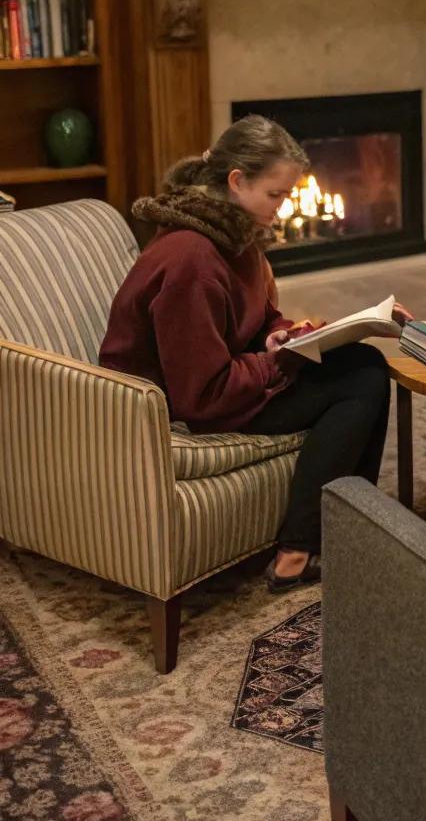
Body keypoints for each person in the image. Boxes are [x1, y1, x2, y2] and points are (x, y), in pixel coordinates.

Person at [100, 115, 406, 589]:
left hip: (224, 376)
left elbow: (260, 319)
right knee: (360, 381)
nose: (282, 210)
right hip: (176, 406)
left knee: (365, 362)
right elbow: (202, 395)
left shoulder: (233, 234)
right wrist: (278, 361)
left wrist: (279, 336)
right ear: (237, 181)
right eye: (275, 195)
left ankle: (334, 535)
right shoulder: (190, 260)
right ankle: (298, 551)